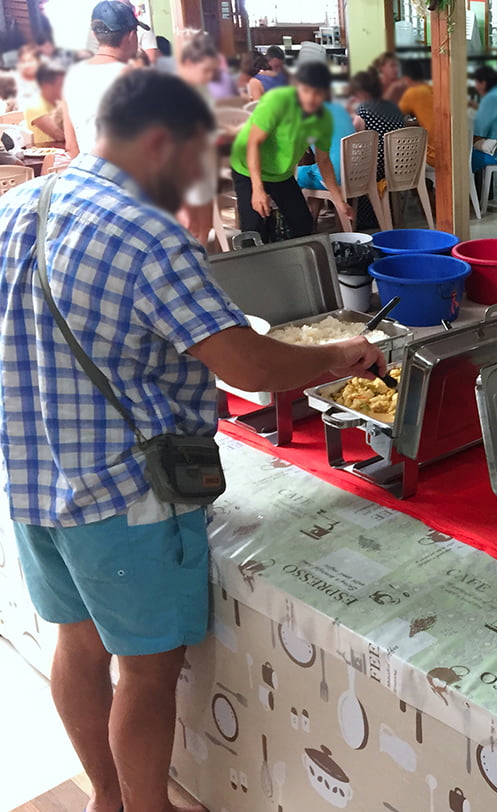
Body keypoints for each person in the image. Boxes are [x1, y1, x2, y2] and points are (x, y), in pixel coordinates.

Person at [0, 68, 385, 812]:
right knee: (145, 670)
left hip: (33, 477)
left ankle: (105, 800)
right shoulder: (142, 234)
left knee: (77, 644)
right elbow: (249, 361)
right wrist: (338, 356)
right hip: (126, 495)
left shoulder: (20, 205)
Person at [230, 60, 351, 241]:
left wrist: (339, 200)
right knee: (253, 230)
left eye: (318, 93)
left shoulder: (323, 119)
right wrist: (258, 189)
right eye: (306, 91)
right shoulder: (277, 101)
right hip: (247, 167)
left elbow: (323, 161)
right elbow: (253, 143)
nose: (311, 98)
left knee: (303, 223)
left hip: (280, 172)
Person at [63, 1, 140, 158]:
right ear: (132, 36)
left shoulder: (73, 77)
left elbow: (71, 147)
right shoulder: (133, 78)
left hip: (89, 175)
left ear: (94, 34)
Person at [175, 31, 222, 244]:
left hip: (203, 166)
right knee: (189, 229)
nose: (210, 76)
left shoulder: (201, 90)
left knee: (205, 227)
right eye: (206, 70)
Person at [348, 69, 406, 182]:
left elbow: (353, 135)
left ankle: (356, 199)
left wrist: (349, 113)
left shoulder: (364, 109)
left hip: (377, 167)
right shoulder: (394, 107)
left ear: (361, 93)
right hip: (398, 163)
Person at [397, 58, 436, 163]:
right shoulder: (431, 88)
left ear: (405, 78)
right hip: (451, 150)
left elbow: (393, 117)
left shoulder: (413, 92)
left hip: (433, 155)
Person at [22, 61, 66, 147]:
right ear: (46, 85)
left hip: (62, 153)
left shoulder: (58, 103)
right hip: (44, 157)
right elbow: (59, 136)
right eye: (61, 84)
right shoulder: (35, 105)